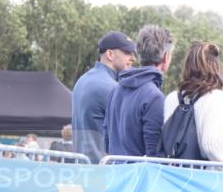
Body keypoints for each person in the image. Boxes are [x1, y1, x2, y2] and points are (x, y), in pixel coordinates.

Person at [163, 42, 223, 163]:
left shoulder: (171, 98)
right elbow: (214, 147)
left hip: (172, 174)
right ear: (215, 66)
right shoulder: (218, 98)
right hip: (204, 178)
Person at [103, 25, 174, 158]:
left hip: (115, 174)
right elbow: (154, 155)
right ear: (165, 57)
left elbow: (107, 143)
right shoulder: (154, 97)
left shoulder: (115, 90)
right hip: (139, 177)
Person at [72, 31, 136, 163]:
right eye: (127, 53)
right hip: (102, 173)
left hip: (83, 169)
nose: (133, 58)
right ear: (110, 54)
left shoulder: (81, 81)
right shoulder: (111, 87)